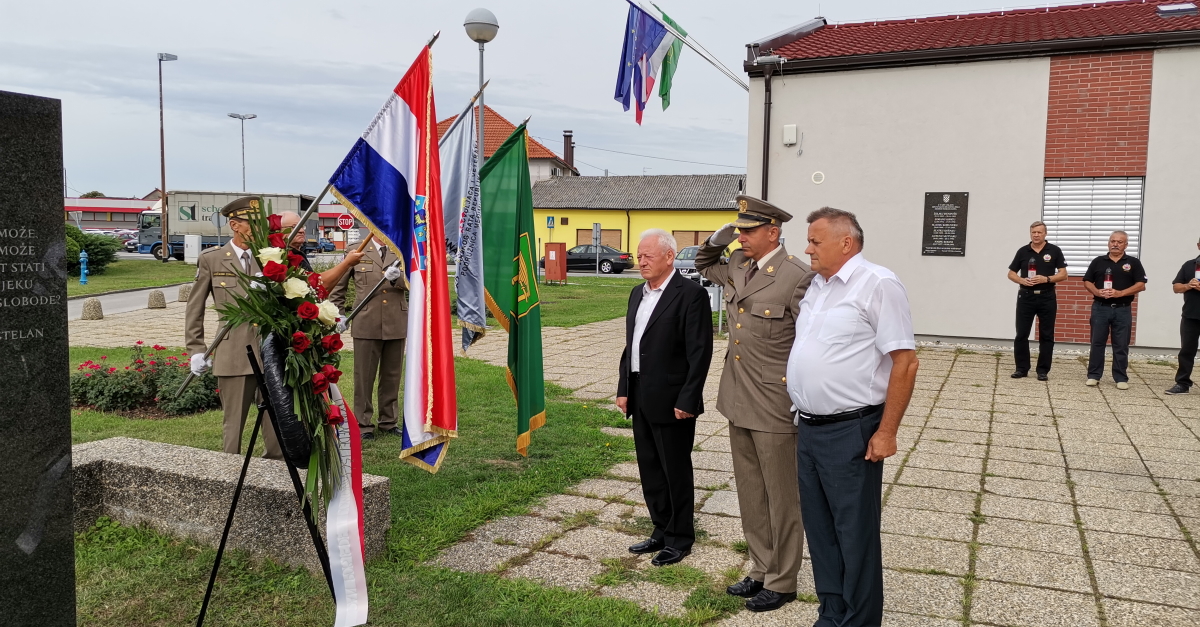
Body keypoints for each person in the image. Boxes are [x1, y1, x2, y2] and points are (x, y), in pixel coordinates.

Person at [786, 207, 919, 627]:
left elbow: (905, 362)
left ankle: (860, 621)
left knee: (854, 534)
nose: (807, 248)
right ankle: (832, 612)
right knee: (821, 531)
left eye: (815, 241)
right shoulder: (817, 287)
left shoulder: (878, 283)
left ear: (846, 242)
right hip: (808, 426)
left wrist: (887, 431)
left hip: (852, 430)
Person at [695, 195, 814, 612]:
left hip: (775, 402)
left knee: (782, 497)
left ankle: (783, 581)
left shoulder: (797, 276)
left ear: (773, 232)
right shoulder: (739, 265)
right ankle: (761, 567)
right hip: (737, 396)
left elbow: (811, 342)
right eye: (738, 231)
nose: (740, 237)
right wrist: (717, 237)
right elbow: (702, 264)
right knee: (750, 491)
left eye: (747, 231)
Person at [616, 229, 713, 567]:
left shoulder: (690, 295)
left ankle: (680, 537)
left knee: (674, 469)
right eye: (639, 255)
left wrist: (688, 398)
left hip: (673, 399)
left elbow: (700, 353)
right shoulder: (636, 294)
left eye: (648, 255)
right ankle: (660, 528)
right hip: (641, 392)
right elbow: (632, 346)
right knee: (650, 467)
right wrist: (624, 388)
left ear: (669, 257)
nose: (641, 261)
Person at [186, 197, 283, 459]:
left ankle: (275, 468)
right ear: (235, 225)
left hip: (269, 349)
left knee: (276, 418)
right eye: (253, 224)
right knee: (234, 422)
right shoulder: (212, 259)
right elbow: (195, 307)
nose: (259, 229)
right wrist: (196, 349)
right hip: (233, 350)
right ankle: (229, 471)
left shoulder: (270, 258)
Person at [328, 235, 408, 440]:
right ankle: (363, 424)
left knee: (392, 375)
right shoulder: (357, 249)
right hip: (365, 321)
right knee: (364, 376)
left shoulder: (402, 249)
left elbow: (415, 283)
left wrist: (396, 278)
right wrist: (339, 314)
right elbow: (339, 287)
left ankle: (389, 421)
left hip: (395, 320)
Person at [1083, 231, 1147, 389]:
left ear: (1126, 244)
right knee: (1097, 343)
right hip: (1100, 308)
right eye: (1112, 241)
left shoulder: (1133, 262)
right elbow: (1087, 281)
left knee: (1121, 344)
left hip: (1122, 309)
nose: (1115, 244)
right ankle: (1094, 375)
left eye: (1119, 242)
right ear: (1108, 243)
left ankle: (1120, 377)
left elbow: (1141, 285)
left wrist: (1120, 293)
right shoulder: (1098, 261)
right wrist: (1096, 292)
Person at [1006, 221, 1067, 380]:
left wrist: (1046, 279)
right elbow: (1011, 273)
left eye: (1039, 232)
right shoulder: (1023, 251)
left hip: (1047, 296)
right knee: (1021, 334)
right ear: (1030, 233)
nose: (1036, 235)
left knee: (1046, 335)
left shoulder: (1054, 251)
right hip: (1026, 296)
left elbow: (1063, 274)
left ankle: (1042, 371)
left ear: (1045, 233)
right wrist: (1021, 280)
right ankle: (1021, 368)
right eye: (1033, 232)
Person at [1165, 237, 1200, 395]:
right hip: (1190, 316)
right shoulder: (1189, 265)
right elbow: (1176, 287)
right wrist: (1188, 285)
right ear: (1198, 246)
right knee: (1187, 351)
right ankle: (1183, 383)